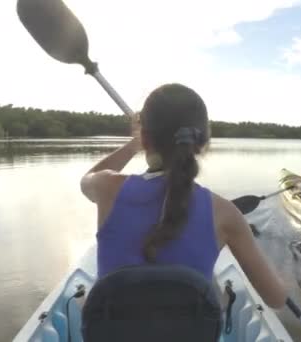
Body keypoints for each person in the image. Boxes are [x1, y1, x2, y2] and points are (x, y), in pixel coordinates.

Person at [79, 83, 287, 310]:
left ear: (146, 138)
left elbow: (87, 179)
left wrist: (133, 145)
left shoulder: (107, 186)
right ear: (202, 144)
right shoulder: (226, 213)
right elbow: (276, 299)